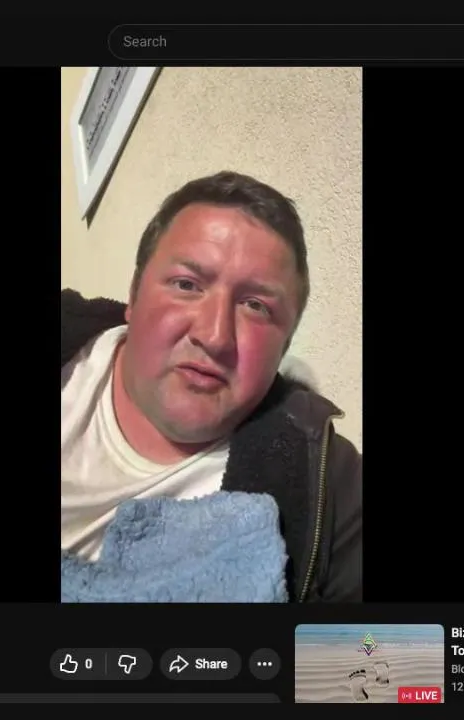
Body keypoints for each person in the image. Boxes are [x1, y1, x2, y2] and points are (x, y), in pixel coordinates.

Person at [61, 171, 361, 602]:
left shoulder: (333, 485)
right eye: (187, 285)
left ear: (284, 346)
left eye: (255, 306)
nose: (215, 336)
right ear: (134, 294)